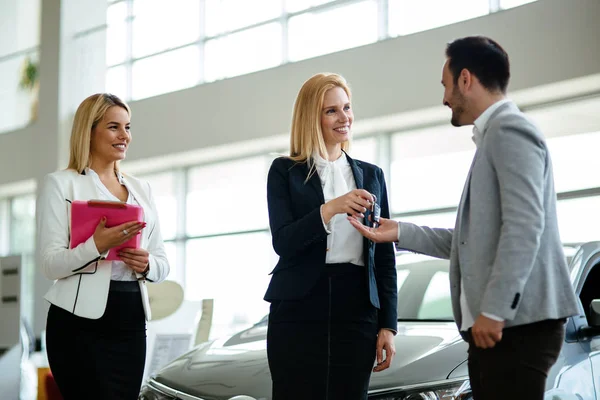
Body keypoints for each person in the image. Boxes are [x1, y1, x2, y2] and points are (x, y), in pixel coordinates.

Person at [348, 36, 580, 400]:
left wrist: (495, 309)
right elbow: (471, 240)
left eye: (445, 84)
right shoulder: (494, 137)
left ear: (466, 79)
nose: (444, 98)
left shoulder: (510, 130)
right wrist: (400, 232)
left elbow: (524, 227)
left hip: (516, 326)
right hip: (506, 327)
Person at [264, 72, 397, 400]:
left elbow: (383, 256)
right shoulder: (284, 171)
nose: (344, 117)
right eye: (331, 110)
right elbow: (284, 241)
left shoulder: (372, 175)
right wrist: (329, 209)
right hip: (298, 305)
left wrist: (388, 325)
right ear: (312, 117)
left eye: (347, 107)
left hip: (357, 306)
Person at [36, 93, 170, 400]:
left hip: (131, 318)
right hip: (77, 324)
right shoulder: (61, 184)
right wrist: (97, 244)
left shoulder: (141, 189)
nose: (125, 136)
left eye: (128, 127)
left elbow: (162, 261)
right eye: (114, 127)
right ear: (89, 131)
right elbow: (50, 264)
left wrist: (147, 264)